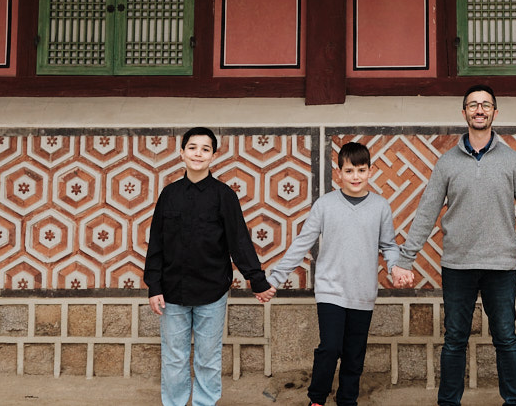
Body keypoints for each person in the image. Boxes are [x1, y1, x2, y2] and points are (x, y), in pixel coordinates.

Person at [390, 84, 516, 406]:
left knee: (506, 339)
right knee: (454, 340)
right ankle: (448, 402)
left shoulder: (512, 161)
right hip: (457, 264)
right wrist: (406, 258)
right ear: (464, 112)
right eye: (473, 105)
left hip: (500, 265)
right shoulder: (447, 162)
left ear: (495, 112)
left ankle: (513, 402)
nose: (479, 110)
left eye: (485, 105)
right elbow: (426, 212)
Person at [144, 126, 274, 406]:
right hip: (172, 293)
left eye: (205, 149)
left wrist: (257, 280)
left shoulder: (223, 195)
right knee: (174, 358)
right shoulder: (169, 194)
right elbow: (156, 243)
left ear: (214, 155)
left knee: (207, 357)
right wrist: (154, 286)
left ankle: (205, 403)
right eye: (192, 147)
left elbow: (238, 240)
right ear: (181, 153)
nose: (198, 154)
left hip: (212, 293)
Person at [264, 141, 398, 406]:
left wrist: (395, 269)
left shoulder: (381, 206)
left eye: (361, 170)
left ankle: (348, 400)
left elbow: (389, 245)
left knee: (354, 352)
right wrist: (275, 278)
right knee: (330, 348)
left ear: (370, 171)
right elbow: (302, 242)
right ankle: (317, 398)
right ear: (339, 174)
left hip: (363, 292)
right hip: (330, 290)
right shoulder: (325, 205)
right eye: (349, 171)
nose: (355, 176)